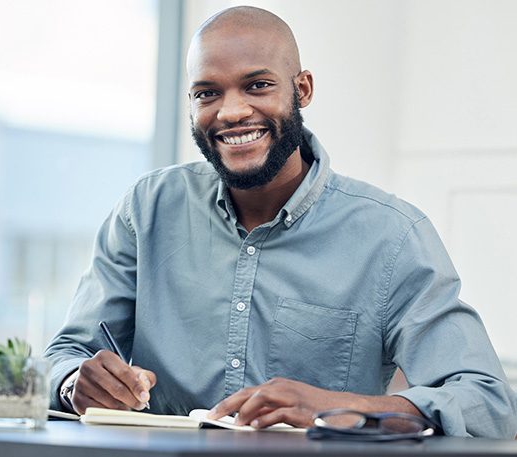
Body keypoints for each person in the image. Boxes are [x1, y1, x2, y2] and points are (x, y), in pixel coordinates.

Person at [44, 6, 517, 438]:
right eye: (207, 93)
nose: (231, 112)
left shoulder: (391, 236)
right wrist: (73, 382)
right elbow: (64, 355)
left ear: (302, 89)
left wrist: (337, 407)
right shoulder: (147, 208)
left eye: (257, 85)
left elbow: (488, 402)